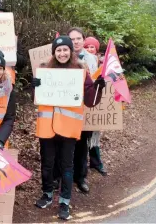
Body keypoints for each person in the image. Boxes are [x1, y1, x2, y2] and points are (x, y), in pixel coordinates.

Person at [31, 36, 105, 220]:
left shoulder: (80, 71)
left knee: (67, 166)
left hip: (68, 128)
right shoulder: (45, 70)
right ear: (54, 53)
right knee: (47, 165)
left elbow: (90, 100)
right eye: (59, 50)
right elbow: (37, 98)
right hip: (47, 127)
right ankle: (47, 194)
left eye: (65, 50)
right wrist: (34, 87)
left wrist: (98, 87)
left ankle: (64, 200)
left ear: (71, 51)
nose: (62, 53)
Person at [67, 27, 98, 193]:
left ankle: (81, 177)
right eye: (72, 39)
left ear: (83, 39)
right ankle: (64, 176)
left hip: (85, 106)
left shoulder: (92, 58)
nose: (76, 42)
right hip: (67, 107)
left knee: (82, 144)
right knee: (65, 144)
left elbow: (96, 78)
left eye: (78, 38)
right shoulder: (63, 55)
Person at [84, 36, 107, 176]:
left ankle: (96, 162)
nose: (89, 49)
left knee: (94, 136)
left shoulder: (104, 65)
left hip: (97, 105)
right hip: (84, 104)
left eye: (92, 47)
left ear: (96, 50)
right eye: (87, 47)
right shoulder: (79, 63)